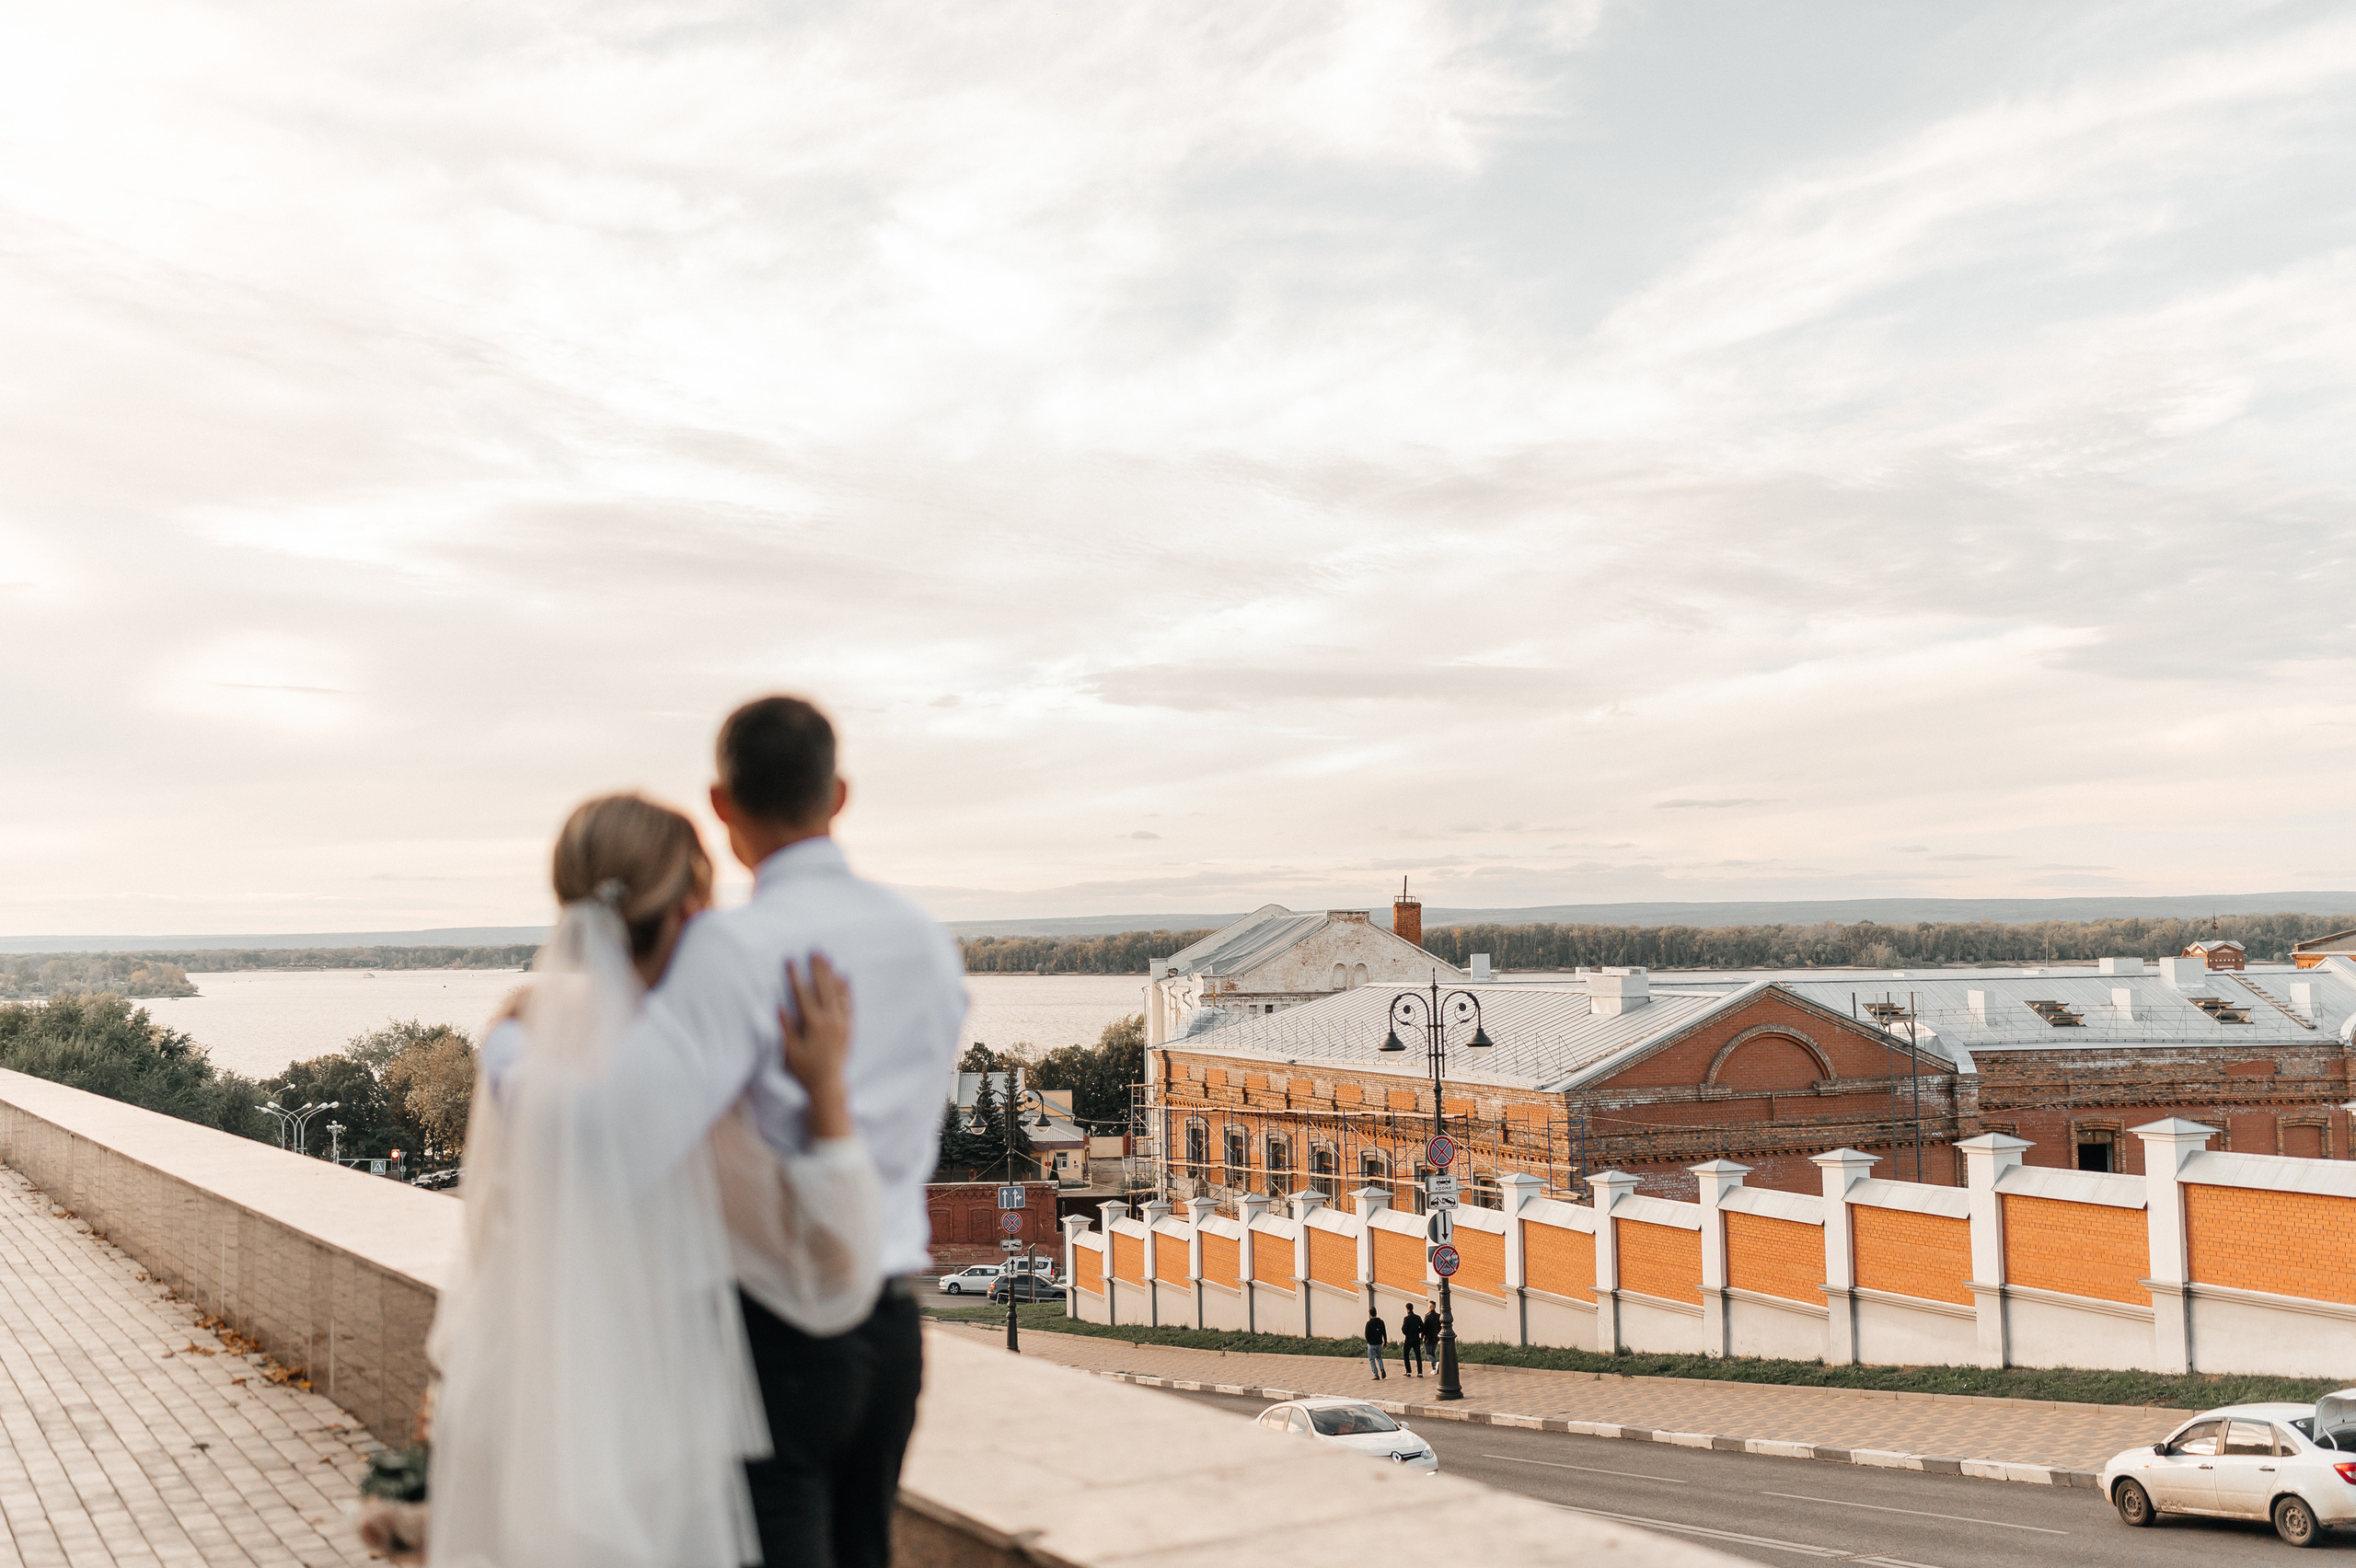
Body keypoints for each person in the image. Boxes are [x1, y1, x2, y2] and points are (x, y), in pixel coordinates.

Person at [425, 793, 881, 1568]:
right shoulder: (680, 1077)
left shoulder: (524, 1041)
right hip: (657, 1429)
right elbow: (833, 1272)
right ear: (692, 910)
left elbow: (490, 1242)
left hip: (531, 1416)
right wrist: (828, 1094)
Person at [589, 697, 968, 1568]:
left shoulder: (728, 951)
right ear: (838, 794)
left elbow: (637, 1141)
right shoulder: (923, 942)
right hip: (890, 1329)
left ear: (722, 806)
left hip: (771, 1331)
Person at [1398, 1304, 1426, 1377]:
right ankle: (1420, 1372)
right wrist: (1417, 1331)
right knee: (1418, 1355)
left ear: (1407, 1309)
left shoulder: (1406, 1318)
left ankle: (1409, 1371)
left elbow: (1404, 1329)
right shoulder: (1418, 1317)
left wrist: (1407, 1333)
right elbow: (1422, 1327)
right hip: (1416, 1338)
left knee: (1406, 1354)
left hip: (1409, 1338)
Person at [1363, 1305, 1389, 1379]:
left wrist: (1368, 1341)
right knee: (1379, 1357)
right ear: (1376, 1313)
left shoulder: (1368, 1323)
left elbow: (1366, 1334)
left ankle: (1376, 1374)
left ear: (1370, 1314)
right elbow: (1384, 1332)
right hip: (1379, 1343)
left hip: (1371, 1344)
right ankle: (1382, 1369)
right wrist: (1385, 1342)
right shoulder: (1381, 1322)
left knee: (1371, 1359)